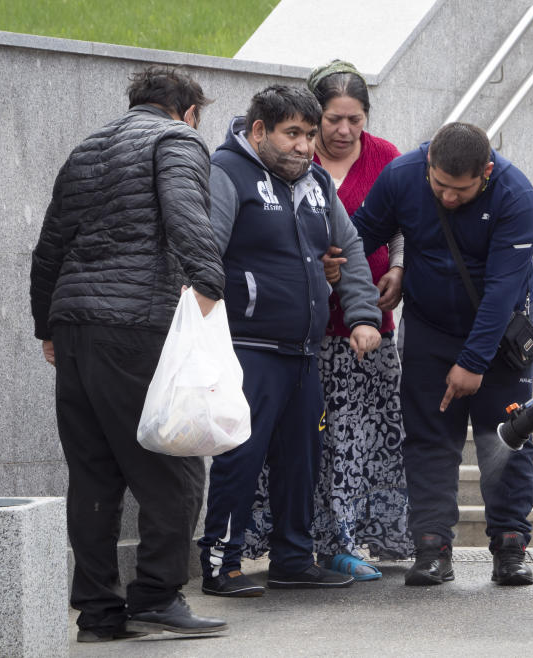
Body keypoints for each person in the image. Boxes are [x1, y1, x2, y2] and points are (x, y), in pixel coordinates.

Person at [29, 67, 228, 642]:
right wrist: (209, 284)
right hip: (134, 325)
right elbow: (186, 212)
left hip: (75, 327)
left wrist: (48, 323)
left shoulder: (87, 148)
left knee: (94, 476)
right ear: (189, 111)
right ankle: (157, 596)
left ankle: (97, 613)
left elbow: (49, 247)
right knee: (176, 461)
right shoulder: (177, 140)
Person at [197, 85, 383, 596]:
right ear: (260, 132)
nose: (305, 146)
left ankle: (293, 560)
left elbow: (349, 247)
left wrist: (364, 314)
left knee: (302, 458)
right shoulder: (226, 173)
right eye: (292, 134)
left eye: (308, 134)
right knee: (241, 458)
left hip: (304, 351)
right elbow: (204, 253)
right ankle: (221, 564)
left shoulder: (317, 180)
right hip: (248, 350)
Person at [242, 61, 412, 582]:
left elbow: (404, 224)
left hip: (367, 329)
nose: (342, 132)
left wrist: (400, 267)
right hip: (307, 330)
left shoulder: (386, 158)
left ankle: (344, 541)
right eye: (333, 119)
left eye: (354, 120)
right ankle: (292, 543)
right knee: (305, 442)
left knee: (358, 440)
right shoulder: (292, 155)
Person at [352, 122, 533, 587]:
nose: (448, 197)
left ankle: (510, 545)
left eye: (461, 190)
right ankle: (432, 546)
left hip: (500, 331)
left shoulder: (516, 196)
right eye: (440, 186)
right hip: (431, 330)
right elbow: (361, 236)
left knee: (508, 437)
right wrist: (374, 274)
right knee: (429, 438)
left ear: (487, 173)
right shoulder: (404, 175)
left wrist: (474, 362)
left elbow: (501, 290)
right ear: (429, 165)